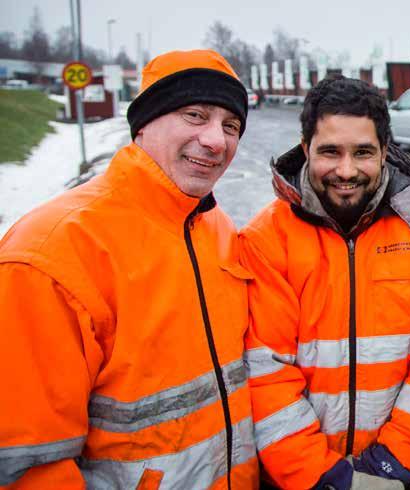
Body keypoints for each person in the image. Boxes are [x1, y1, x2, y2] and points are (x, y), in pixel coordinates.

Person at [0, 50, 258, 488]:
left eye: (230, 126)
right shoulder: (51, 250)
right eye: (196, 115)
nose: (217, 140)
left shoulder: (216, 228)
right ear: (144, 124)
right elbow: (31, 464)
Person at [240, 76, 410, 489]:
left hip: (401, 474)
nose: (346, 171)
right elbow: (266, 372)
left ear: (385, 151)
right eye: (330, 152)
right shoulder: (266, 238)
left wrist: (392, 463)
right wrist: (324, 476)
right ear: (306, 149)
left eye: (363, 152)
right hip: (299, 478)